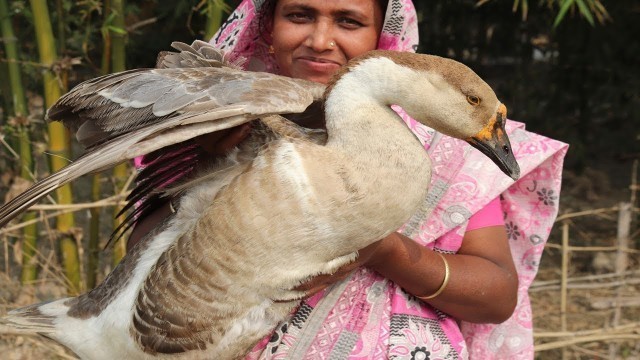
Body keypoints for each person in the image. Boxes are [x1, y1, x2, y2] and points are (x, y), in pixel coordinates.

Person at [131, 0, 568, 358]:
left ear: (384, 37)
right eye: (299, 15)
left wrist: (382, 247)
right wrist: (205, 166)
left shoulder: (447, 152)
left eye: (349, 21)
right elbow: (139, 263)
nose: (320, 41)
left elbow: (496, 297)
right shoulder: (212, 125)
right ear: (268, 24)